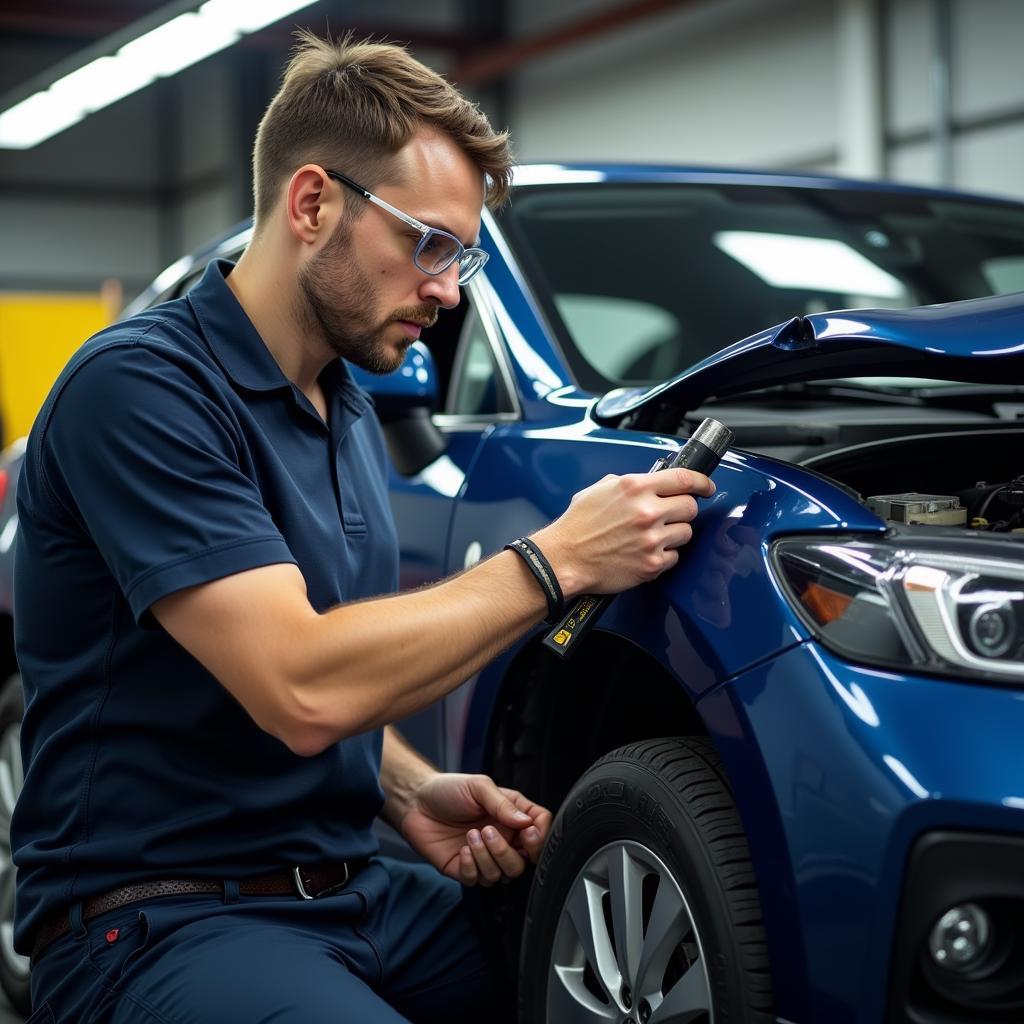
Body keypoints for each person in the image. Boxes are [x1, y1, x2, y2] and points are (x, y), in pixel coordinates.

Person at [12, 32, 714, 1024]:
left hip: (358, 890)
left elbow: (296, 679)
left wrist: (407, 788)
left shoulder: (341, 402)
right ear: (311, 204)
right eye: (426, 244)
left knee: (561, 967)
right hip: (159, 919)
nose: (447, 288)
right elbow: (298, 683)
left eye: (460, 254)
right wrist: (555, 558)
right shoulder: (141, 388)